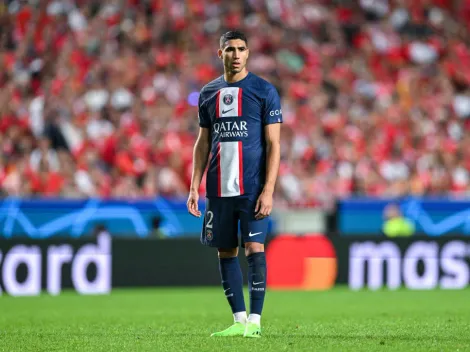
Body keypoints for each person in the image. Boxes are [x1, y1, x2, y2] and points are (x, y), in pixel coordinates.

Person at [187, 30, 282, 338]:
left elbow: (274, 144)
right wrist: (193, 187)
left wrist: (268, 189)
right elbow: (203, 142)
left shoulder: (264, 90)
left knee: (254, 247)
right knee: (225, 252)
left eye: (242, 48)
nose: (236, 54)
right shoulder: (208, 92)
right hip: (218, 189)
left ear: (248, 53)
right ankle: (238, 320)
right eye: (230, 49)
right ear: (221, 54)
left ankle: (255, 322)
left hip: (252, 188)